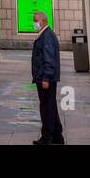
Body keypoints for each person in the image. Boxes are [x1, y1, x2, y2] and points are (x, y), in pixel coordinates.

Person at [30, 10, 64, 145]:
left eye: (35, 20)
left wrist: (45, 78)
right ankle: (57, 136)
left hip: (46, 79)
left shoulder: (47, 36)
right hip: (45, 78)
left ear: (42, 21)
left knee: (46, 109)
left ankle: (47, 138)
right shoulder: (45, 34)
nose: (33, 23)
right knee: (51, 107)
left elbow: (49, 60)